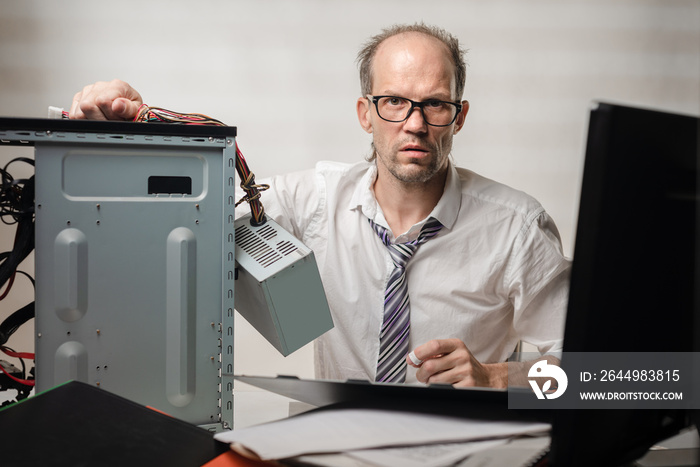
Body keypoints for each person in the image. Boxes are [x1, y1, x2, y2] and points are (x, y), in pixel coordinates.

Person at [69, 23, 570, 388]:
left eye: (435, 104)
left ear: (458, 117)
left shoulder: (517, 228)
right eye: (394, 101)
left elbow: (613, 379)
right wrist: (134, 126)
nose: (414, 123)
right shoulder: (313, 202)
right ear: (365, 114)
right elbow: (179, 226)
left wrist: (498, 376)